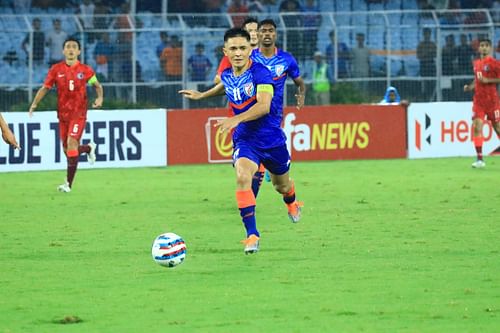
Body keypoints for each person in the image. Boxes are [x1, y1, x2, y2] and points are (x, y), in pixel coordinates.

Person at [179, 28, 303, 254]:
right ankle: (252, 235)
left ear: (250, 50)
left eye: (243, 48)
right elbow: (225, 86)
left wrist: (236, 118)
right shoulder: (227, 73)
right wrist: (201, 95)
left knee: (280, 185)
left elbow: (264, 106)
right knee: (243, 176)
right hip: (246, 140)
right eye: (233, 48)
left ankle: (292, 201)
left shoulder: (261, 74)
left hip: (272, 140)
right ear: (225, 51)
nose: (238, 53)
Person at [28, 37, 103, 193]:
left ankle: (68, 184)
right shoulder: (56, 69)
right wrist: (34, 104)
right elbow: (45, 87)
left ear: (79, 51)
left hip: (78, 114)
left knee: (71, 143)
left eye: (74, 47)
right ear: (63, 51)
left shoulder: (85, 70)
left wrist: (100, 97)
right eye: (68, 47)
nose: (70, 49)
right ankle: (88, 148)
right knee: (68, 150)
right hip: (63, 115)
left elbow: (97, 85)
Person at [463, 38, 500, 168]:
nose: (483, 48)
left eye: (486, 46)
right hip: (478, 101)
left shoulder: (494, 63)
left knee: (497, 128)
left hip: (492, 101)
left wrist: (488, 80)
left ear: (490, 48)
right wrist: (470, 87)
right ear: (479, 48)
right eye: (481, 46)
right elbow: (478, 79)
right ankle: (480, 159)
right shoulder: (477, 63)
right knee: (477, 127)